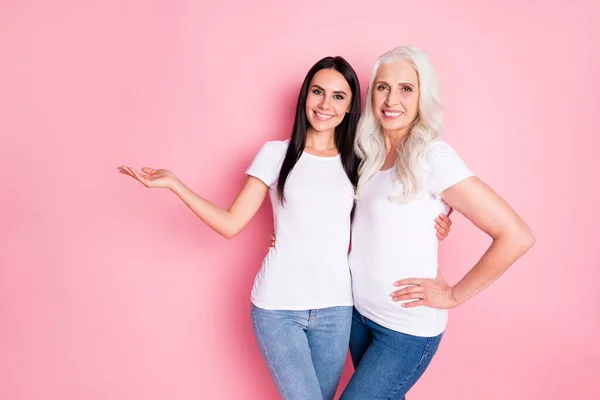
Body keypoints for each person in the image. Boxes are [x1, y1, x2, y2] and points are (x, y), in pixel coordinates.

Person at [118, 55, 453, 400]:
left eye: (339, 96)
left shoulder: (360, 159)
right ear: (304, 97)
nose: (326, 104)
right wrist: (176, 185)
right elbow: (231, 223)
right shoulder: (276, 154)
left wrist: (438, 223)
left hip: (338, 310)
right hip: (278, 307)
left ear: (352, 106)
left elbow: (395, 210)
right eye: (317, 92)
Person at [339, 46, 535, 399]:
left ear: (421, 96)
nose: (391, 99)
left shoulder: (433, 157)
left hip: (405, 331)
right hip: (360, 316)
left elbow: (516, 235)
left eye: (406, 88)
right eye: (383, 87)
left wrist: (455, 294)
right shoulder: (368, 154)